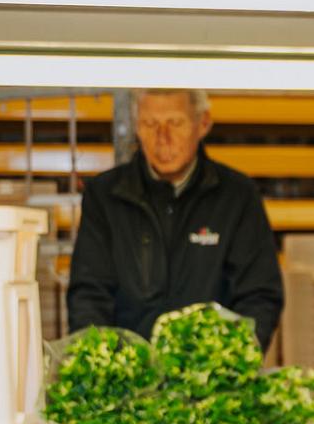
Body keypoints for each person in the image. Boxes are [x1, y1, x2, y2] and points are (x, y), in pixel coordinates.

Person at [67, 88, 283, 348]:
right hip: (130, 381)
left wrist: (228, 363)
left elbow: (258, 296)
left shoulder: (237, 196)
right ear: (136, 126)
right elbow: (89, 295)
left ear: (203, 124)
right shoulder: (104, 196)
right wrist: (104, 364)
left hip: (211, 381)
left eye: (175, 122)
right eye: (150, 124)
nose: (163, 138)